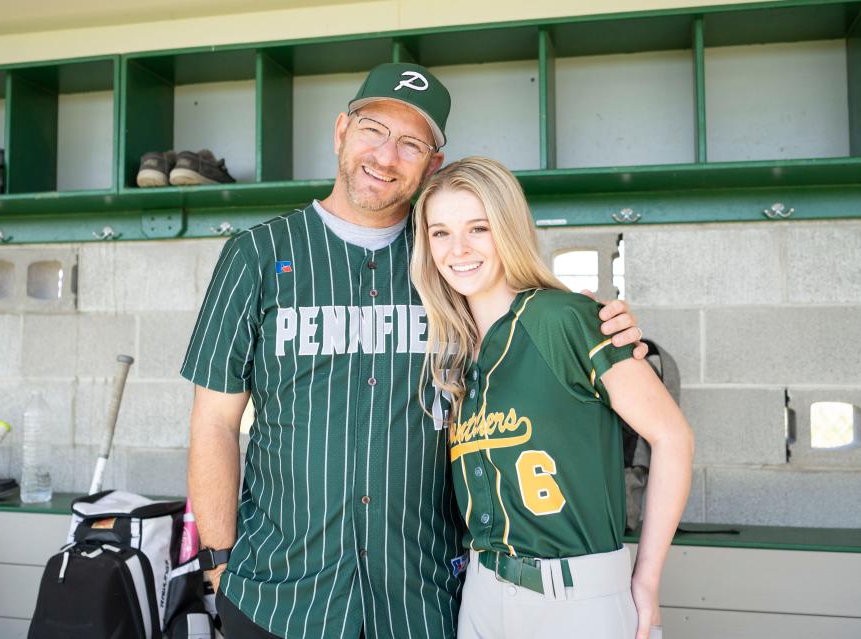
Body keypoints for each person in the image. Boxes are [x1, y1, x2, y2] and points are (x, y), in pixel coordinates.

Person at [180, 64, 647, 639]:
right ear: (341, 132)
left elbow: (538, 329)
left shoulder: (451, 261)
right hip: (279, 594)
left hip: (426, 595)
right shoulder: (254, 255)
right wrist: (219, 561)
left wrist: (602, 325)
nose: (385, 154)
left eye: (411, 143)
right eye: (373, 129)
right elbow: (215, 423)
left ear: (433, 165)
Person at [410, 157, 694, 639]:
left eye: (478, 228)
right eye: (440, 233)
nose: (458, 249)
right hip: (480, 594)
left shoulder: (566, 318)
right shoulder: (456, 355)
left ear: (508, 228)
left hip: (576, 597)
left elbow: (673, 437)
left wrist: (647, 578)